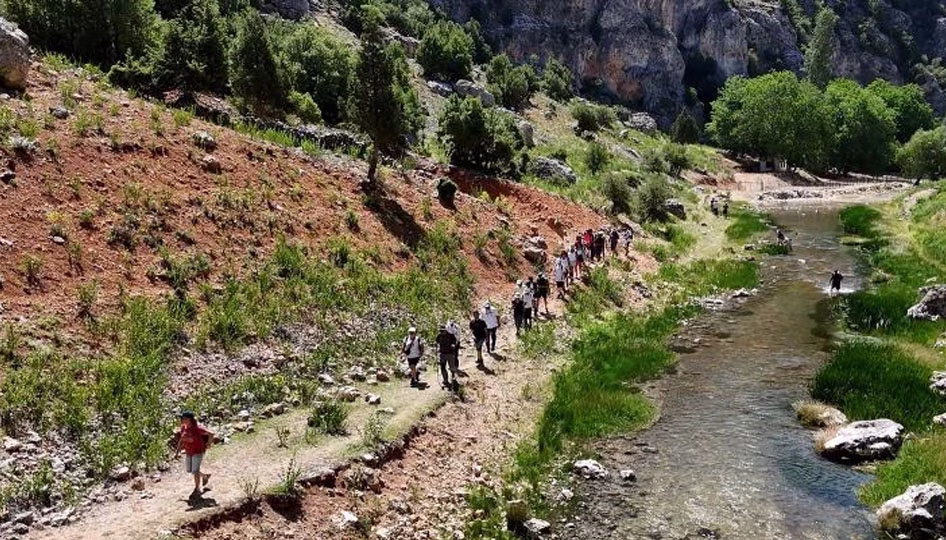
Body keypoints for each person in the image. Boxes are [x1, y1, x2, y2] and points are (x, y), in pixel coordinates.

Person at [175, 411, 213, 499]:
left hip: (198, 451)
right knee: (190, 470)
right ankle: (205, 476)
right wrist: (177, 452)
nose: (180, 420)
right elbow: (181, 439)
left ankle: (197, 489)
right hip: (189, 451)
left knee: (195, 471)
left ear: (188, 419)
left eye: (182, 418)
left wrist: (208, 444)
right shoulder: (183, 428)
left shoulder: (197, 428)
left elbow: (211, 433)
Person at [435, 325, 460, 390]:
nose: (441, 332)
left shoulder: (451, 335)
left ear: (446, 330)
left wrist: (453, 345)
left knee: (451, 366)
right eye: (440, 331)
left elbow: (455, 342)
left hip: (450, 354)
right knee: (443, 367)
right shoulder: (439, 336)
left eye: (442, 331)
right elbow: (436, 341)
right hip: (442, 354)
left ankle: (453, 376)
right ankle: (445, 380)